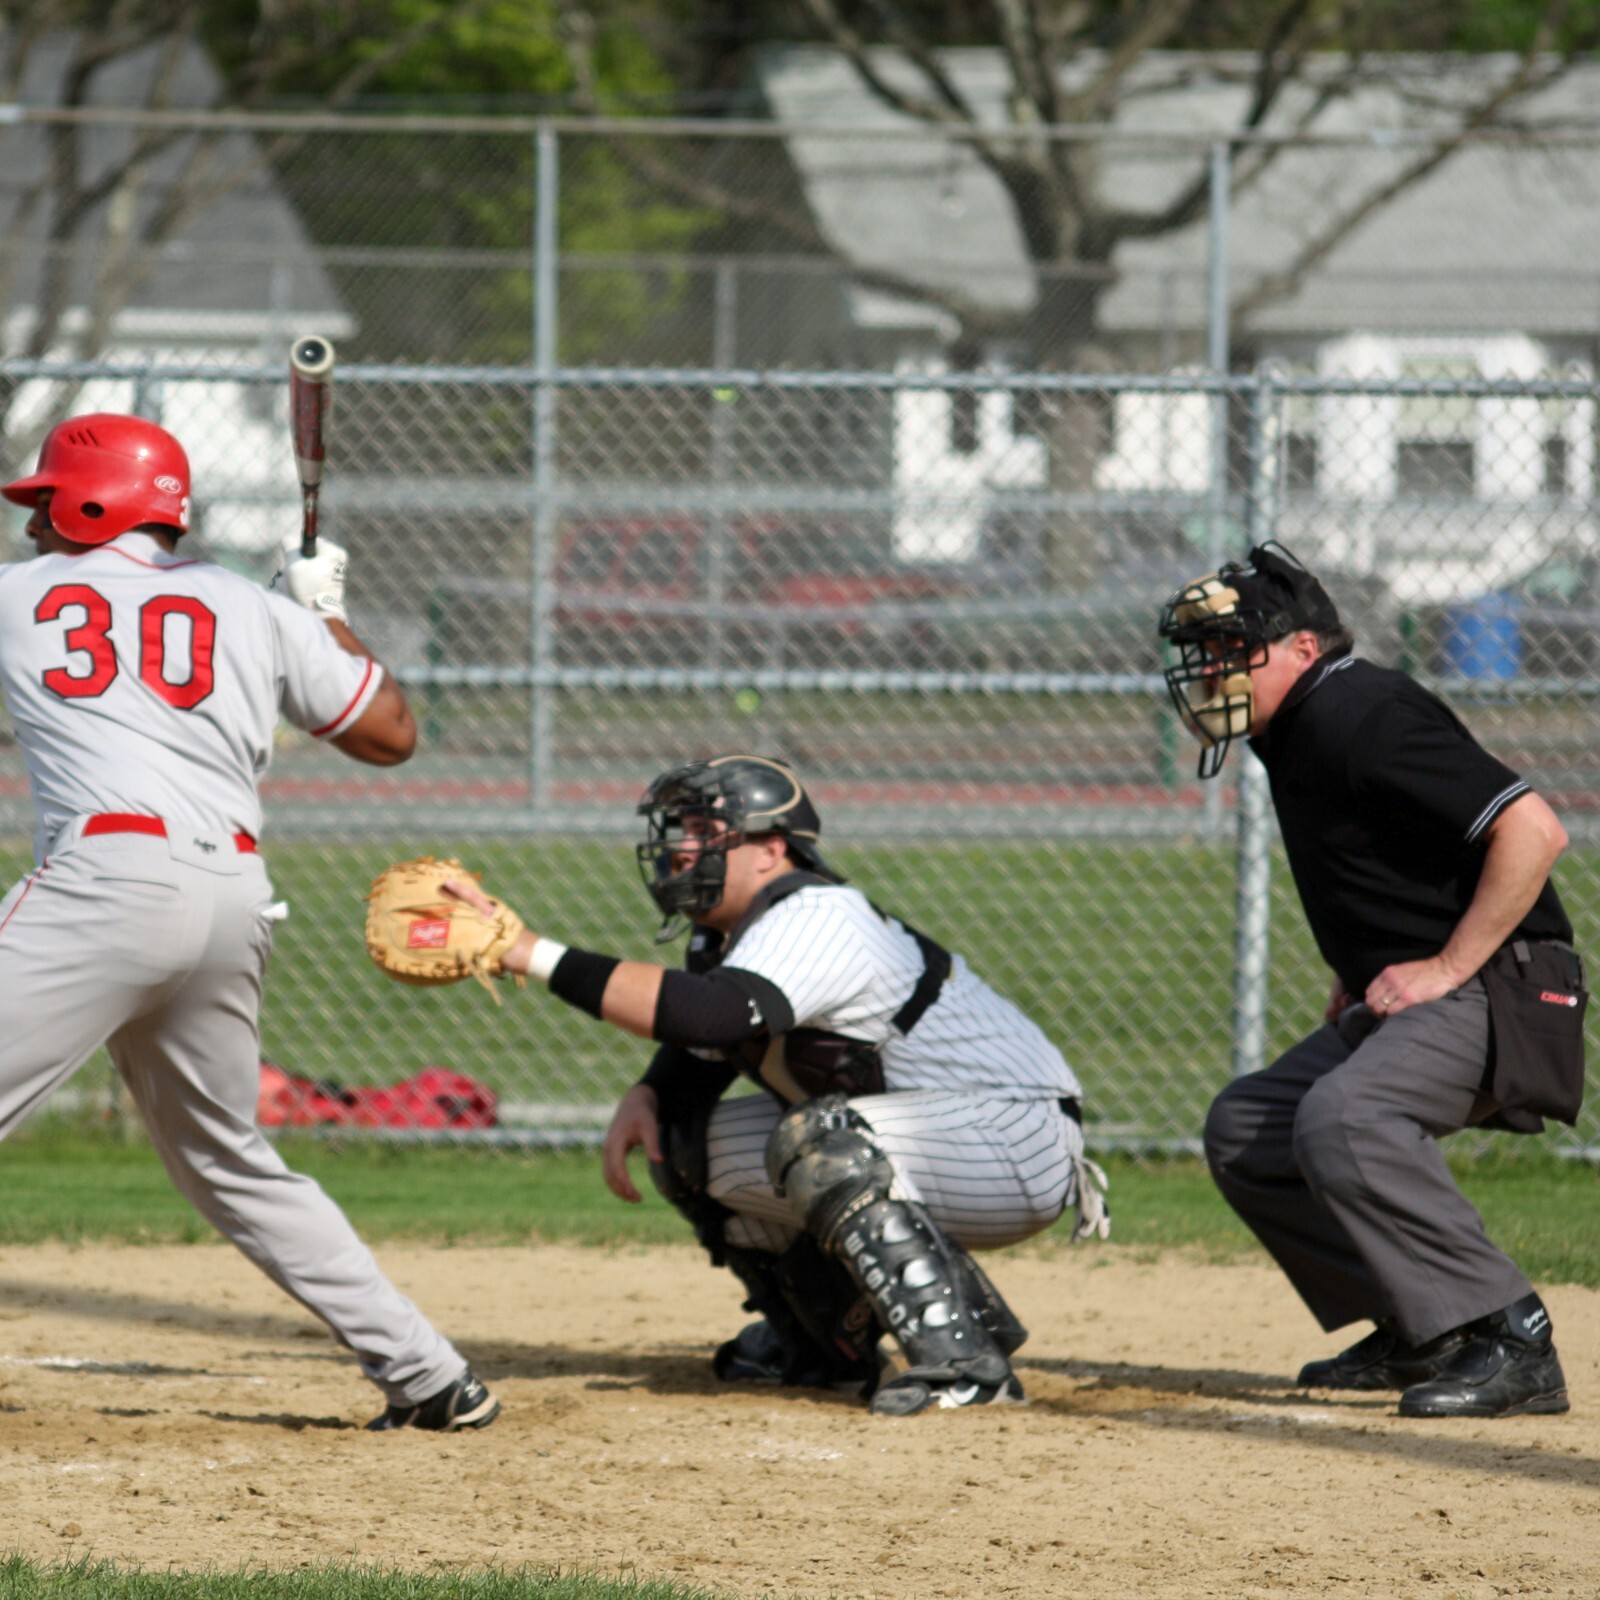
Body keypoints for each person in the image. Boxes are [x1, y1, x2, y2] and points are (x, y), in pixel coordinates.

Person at [0, 412, 498, 1433]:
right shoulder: (243, 604)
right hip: (231, 899)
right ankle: (430, 1375)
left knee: (224, 1154)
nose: (36, 525)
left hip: (106, 879)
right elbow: (391, 734)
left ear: (97, 502)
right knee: (228, 1156)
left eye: (49, 503)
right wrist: (322, 612)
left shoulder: (16, 598)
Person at [442, 753, 1105, 1417]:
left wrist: (529, 951)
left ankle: (966, 1364)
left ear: (772, 850)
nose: (679, 847)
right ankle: (826, 1346)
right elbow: (700, 1050)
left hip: (1015, 1136)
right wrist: (650, 1095)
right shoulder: (731, 938)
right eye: (678, 827)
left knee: (816, 1142)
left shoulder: (820, 913)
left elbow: (714, 1012)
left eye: (705, 829)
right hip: (937, 1137)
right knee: (684, 1145)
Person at [1158, 541, 1583, 1419]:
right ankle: (1421, 1325)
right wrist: (1361, 973)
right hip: (1447, 987)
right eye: (1206, 654)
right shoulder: (1301, 725)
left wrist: (1445, 965)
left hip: (1506, 983)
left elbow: (1534, 832)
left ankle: (1510, 1334)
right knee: (1248, 1130)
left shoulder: (1360, 709)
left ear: (1305, 648)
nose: (1214, 672)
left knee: (1347, 1118)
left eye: (1237, 650)